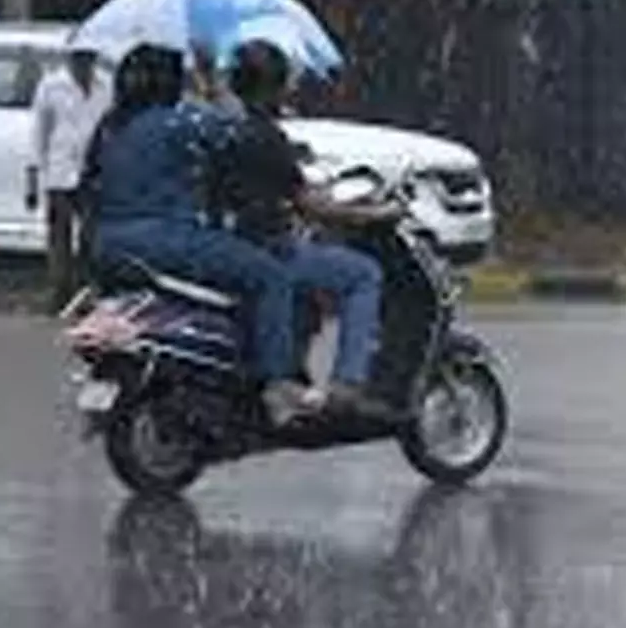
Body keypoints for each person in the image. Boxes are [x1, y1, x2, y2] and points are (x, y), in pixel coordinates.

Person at [79, 43, 313, 427]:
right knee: (271, 276)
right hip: (166, 240)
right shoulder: (176, 121)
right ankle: (277, 385)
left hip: (108, 244)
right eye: (180, 76)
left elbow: (87, 189)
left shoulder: (110, 126)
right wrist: (215, 84)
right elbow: (235, 134)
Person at [219, 39, 400, 415]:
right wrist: (375, 214)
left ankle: (298, 363)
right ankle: (347, 383)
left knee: (311, 282)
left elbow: (286, 187)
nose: (289, 89)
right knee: (363, 274)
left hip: (234, 245)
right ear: (271, 85)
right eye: (283, 82)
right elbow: (312, 206)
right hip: (270, 248)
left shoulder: (228, 130)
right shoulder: (266, 136)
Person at [29, 41, 112, 313]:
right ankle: (59, 291)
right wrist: (36, 172)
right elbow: (39, 131)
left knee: (91, 236)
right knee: (59, 236)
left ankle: (86, 292)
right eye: (78, 58)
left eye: (88, 58)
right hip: (60, 171)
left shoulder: (106, 86)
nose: (82, 64)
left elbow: (110, 126)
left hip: (94, 172)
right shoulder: (51, 85)